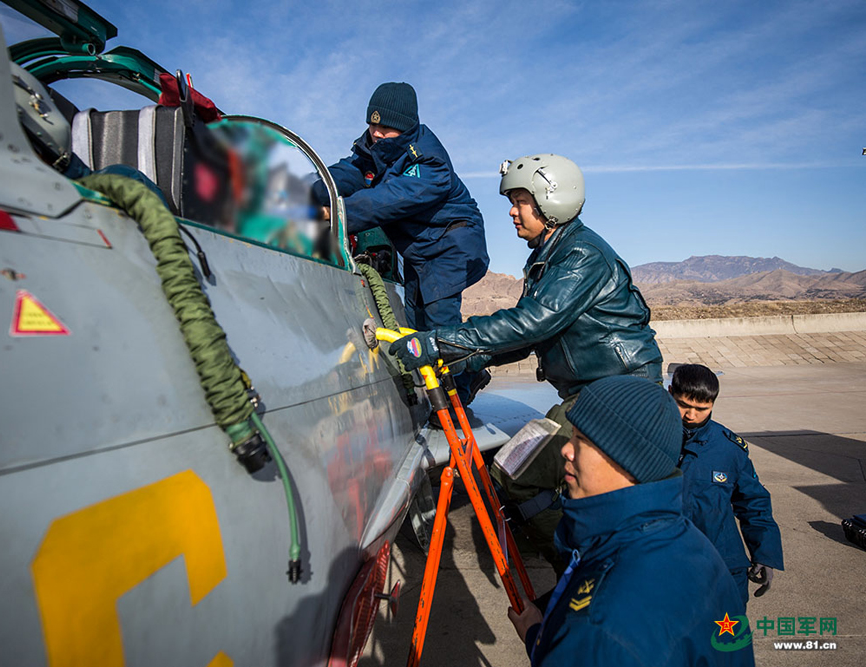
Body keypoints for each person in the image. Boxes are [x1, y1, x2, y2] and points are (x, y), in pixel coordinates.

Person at [390, 153, 662, 577]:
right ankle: (578, 555)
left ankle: (583, 570)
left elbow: (530, 323)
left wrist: (439, 342)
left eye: (521, 201)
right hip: (591, 393)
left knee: (519, 472)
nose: (513, 212)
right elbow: (525, 336)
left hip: (619, 393)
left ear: (552, 202)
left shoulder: (581, 255)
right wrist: (464, 360)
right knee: (515, 469)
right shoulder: (550, 256)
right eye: (512, 203)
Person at [507, 376, 755, 666]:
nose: (566, 449)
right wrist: (537, 633)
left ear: (629, 459)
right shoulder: (691, 543)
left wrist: (539, 640)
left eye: (582, 441)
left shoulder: (603, 625)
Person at [312, 82, 490, 402]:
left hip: (452, 242)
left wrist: (335, 212)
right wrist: (312, 188)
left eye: (386, 127)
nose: (377, 133)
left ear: (407, 127)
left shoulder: (430, 161)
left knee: (437, 326)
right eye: (373, 124)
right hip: (421, 249)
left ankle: (455, 400)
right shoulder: (375, 149)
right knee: (416, 321)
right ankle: (471, 370)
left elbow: (387, 200)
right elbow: (352, 173)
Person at [670, 364, 784, 607]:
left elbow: (754, 503)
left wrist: (764, 553)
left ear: (713, 404)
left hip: (721, 567)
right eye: (683, 405)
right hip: (663, 568)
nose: (691, 415)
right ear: (670, 392)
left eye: (701, 409)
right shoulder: (645, 440)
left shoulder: (729, 450)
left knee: (726, 643)